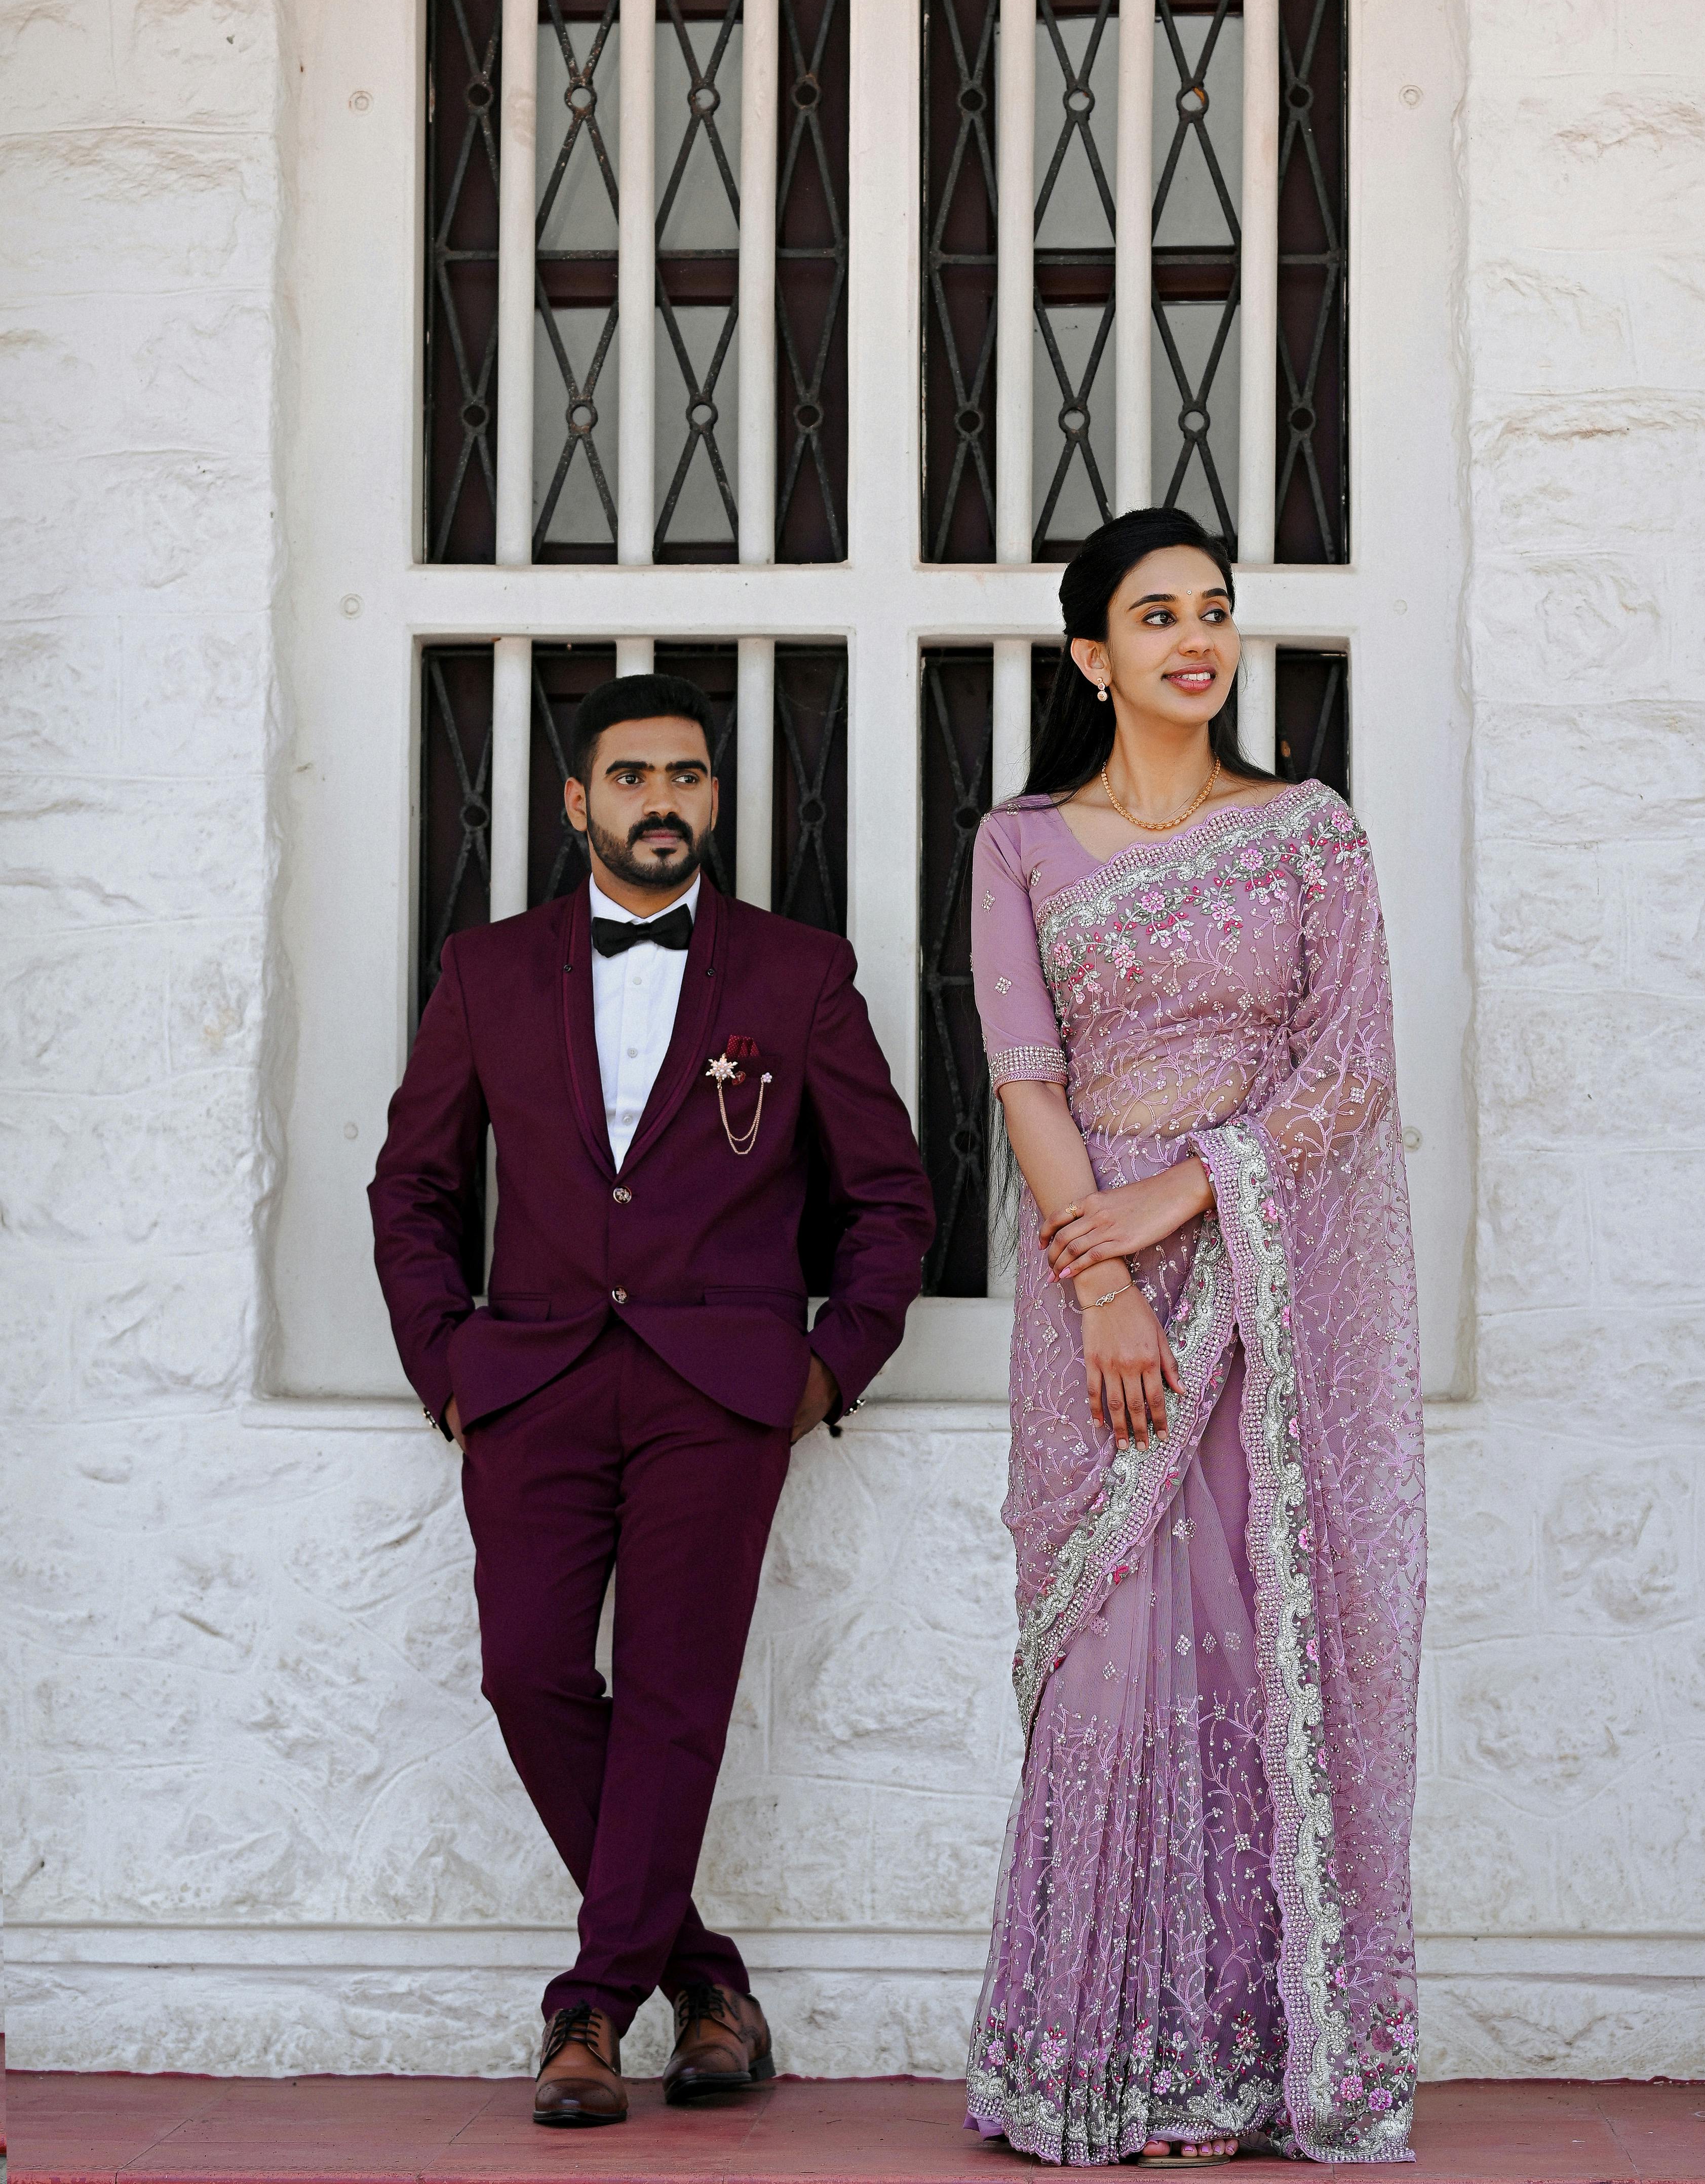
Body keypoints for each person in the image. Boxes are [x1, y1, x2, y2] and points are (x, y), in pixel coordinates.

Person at [370, 672, 934, 2130]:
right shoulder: (486, 970)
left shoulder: (796, 972)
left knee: (677, 1699)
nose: (662, 801)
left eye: (688, 776)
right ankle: (709, 1986)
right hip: (532, 1380)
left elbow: (889, 1195)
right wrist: (446, 1366)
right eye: (632, 778)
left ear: (716, 800)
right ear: (579, 803)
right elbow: (414, 1186)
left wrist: (825, 1370)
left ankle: (589, 2012)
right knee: (530, 1673)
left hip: (722, 1389)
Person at [964, 512, 1424, 2166]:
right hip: (1092, 1297)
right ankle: (1099, 2061)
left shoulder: (1309, 834)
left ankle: (1239, 2068)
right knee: (1110, 1659)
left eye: (1216, 611)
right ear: (1093, 656)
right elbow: (1027, 1075)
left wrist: (1177, 1207)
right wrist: (1097, 1283)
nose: (1195, 639)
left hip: (1267, 1299)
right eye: (1155, 615)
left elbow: (1348, 1075)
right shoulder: (1024, 844)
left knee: (1261, 1655)